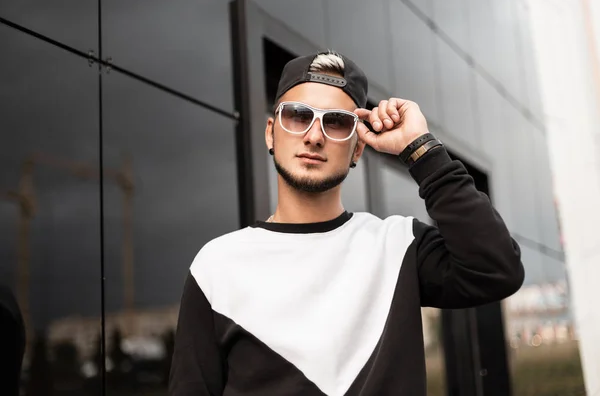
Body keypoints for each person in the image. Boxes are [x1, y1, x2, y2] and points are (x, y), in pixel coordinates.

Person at [169, 50, 524, 396]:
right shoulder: (218, 264)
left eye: (336, 122)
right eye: (298, 115)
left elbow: (496, 269)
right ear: (269, 133)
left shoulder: (397, 246)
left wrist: (421, 150)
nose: (314, 135)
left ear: (357, 150)